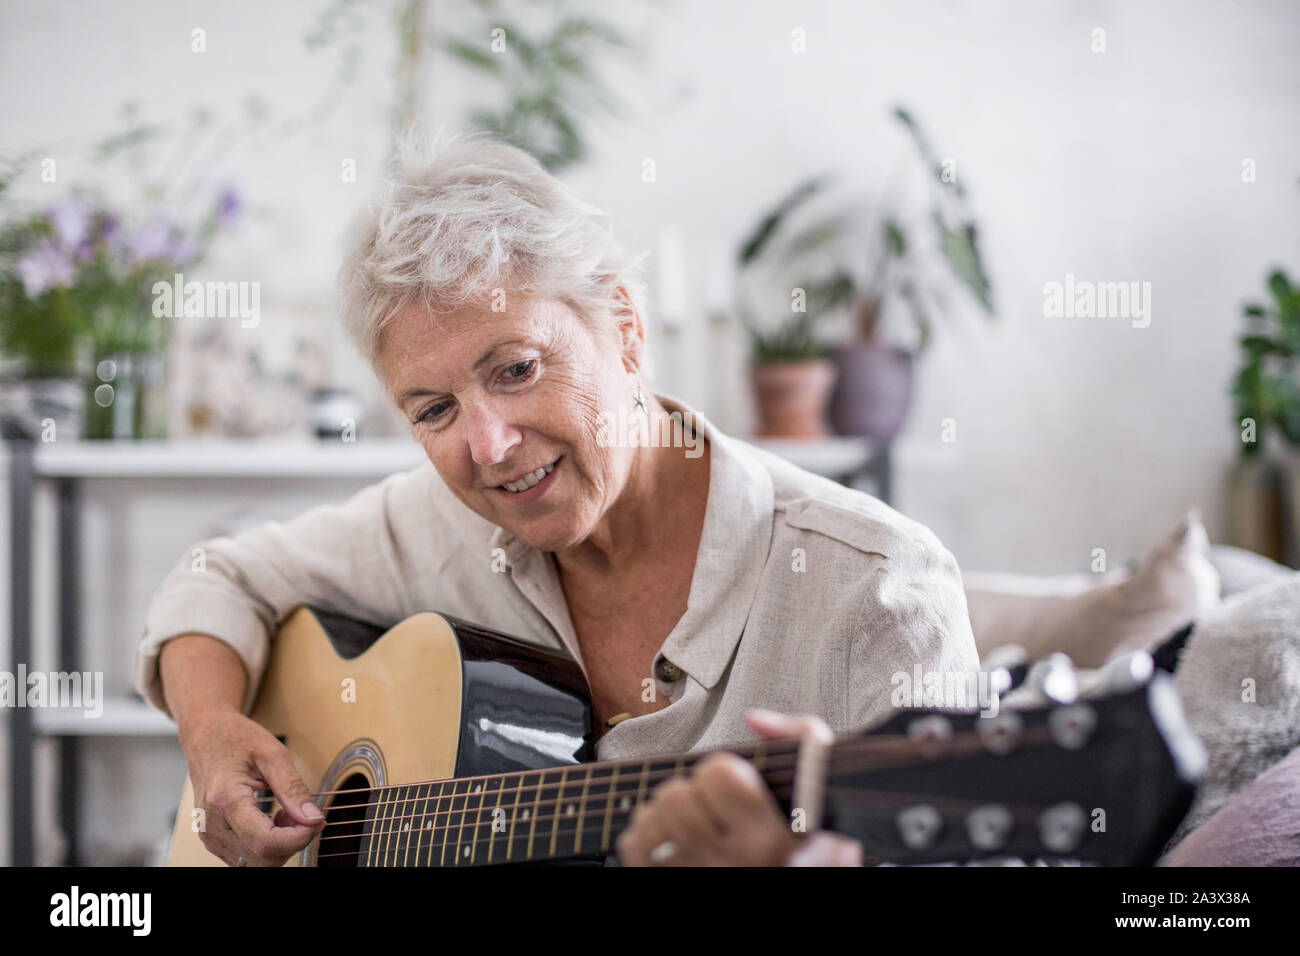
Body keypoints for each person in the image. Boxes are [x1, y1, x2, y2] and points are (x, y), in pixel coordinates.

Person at [135, 130, 979, 867]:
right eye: (434, 410)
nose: (489, 448)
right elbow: (218, 576)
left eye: (516, 368)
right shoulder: (432, 526)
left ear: (624, 325)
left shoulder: (877, 592)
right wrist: (210, 732)